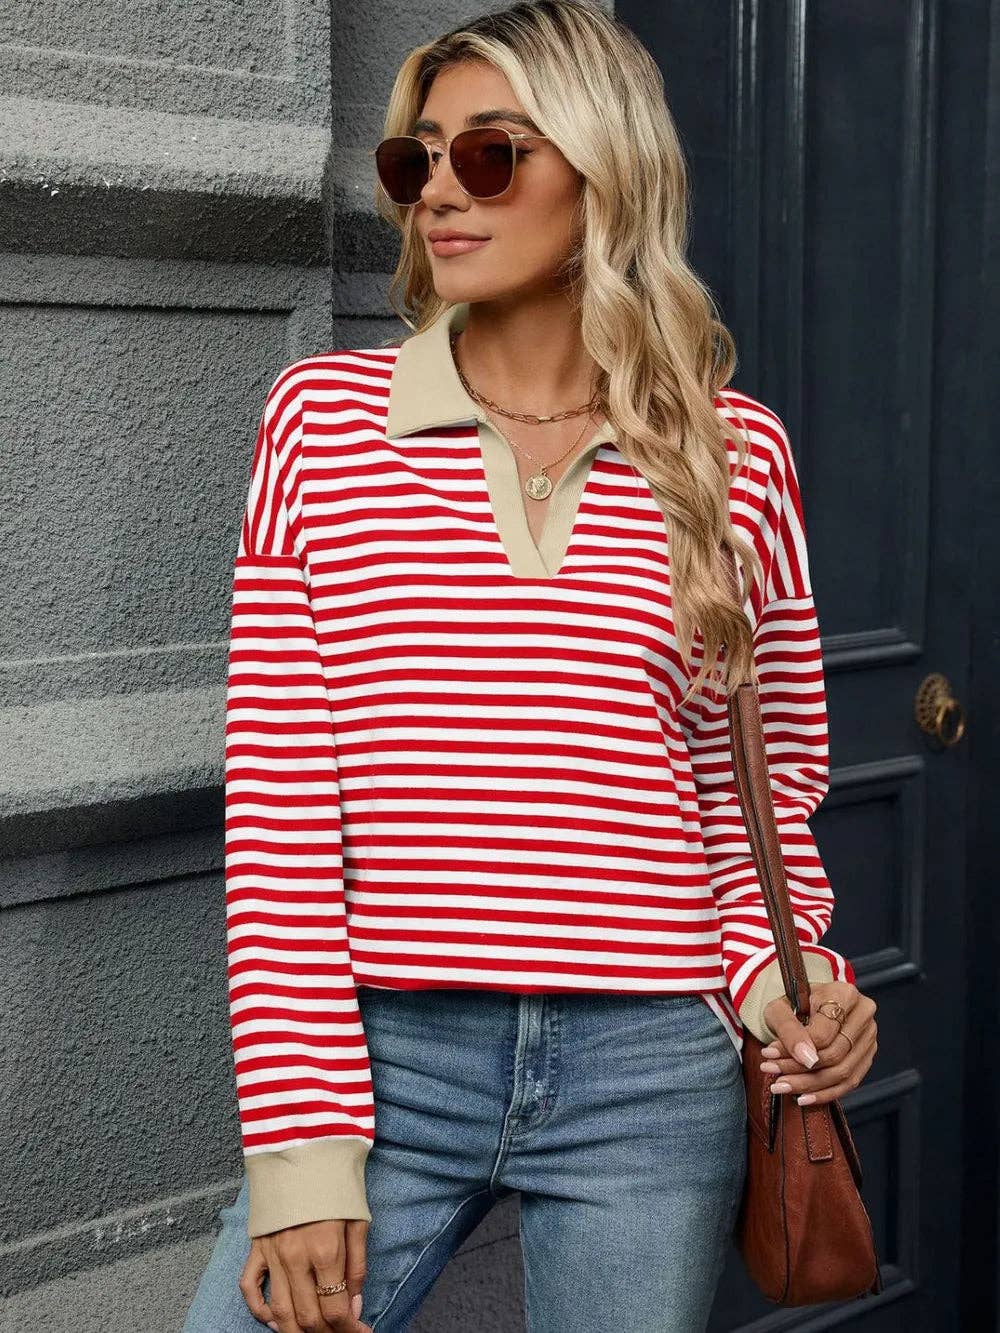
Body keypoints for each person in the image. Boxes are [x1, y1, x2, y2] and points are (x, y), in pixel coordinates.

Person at [182, 3, 879, 1330]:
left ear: (601, 167)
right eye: (417, 159)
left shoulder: (733, 453)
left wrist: (792, 983)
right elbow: (279, 804)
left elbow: (754, 793)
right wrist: (301, 1153)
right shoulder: (322, 425)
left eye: (489, 153)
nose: (439, 191)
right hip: (386, 1060)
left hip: (653, 1068)